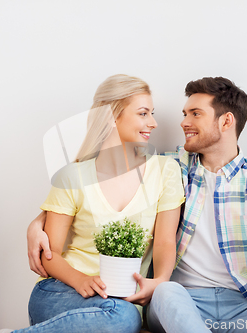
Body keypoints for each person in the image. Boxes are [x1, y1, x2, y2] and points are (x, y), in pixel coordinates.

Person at [28, 77, 247, 333]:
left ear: (226, 121)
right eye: (184, 113)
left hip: (246, 305)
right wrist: (37, 223)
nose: (183, 122)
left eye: (195, 114)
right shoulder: (172, 166)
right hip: (183, 301)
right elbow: (99, 180)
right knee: (165, 291)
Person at [16, 74, 185, 333]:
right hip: (61, 291)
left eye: (151, 113)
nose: (153, 122)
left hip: (118, 301)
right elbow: (50, 255)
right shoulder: (71, 176)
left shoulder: (165, 171)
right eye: (143, 113)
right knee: (123, 318)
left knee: (123, 316)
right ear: (111, 116)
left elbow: (164, 241)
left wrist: (160, 281)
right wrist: (80, 279)